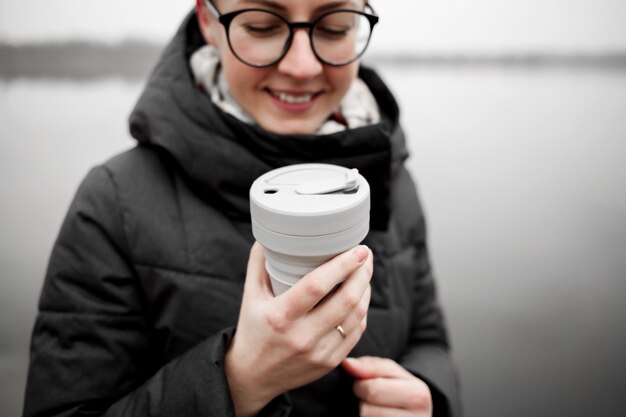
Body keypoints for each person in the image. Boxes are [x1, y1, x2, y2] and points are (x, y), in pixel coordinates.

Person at [24, 1, 462, 416]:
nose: (301, 66)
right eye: (262, 26)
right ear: (209, 21)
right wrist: (239, 381)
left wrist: (428, 395)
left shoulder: (388, 178)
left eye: (334, 27)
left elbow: (429, 339)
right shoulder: (115, 202)